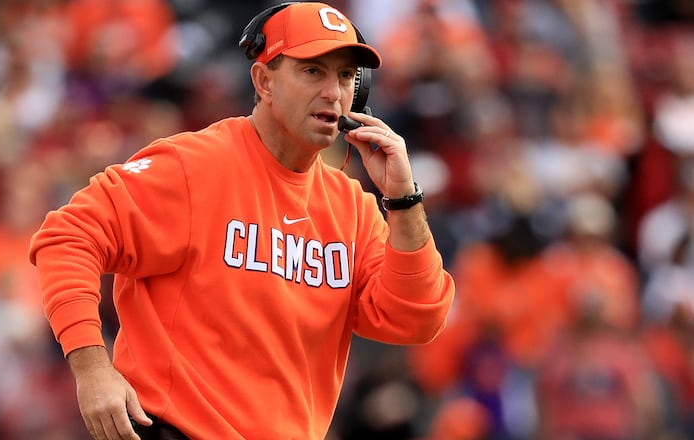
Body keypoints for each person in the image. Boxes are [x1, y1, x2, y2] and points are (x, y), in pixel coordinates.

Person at [28, 2, 455, 439]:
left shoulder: (354, 208)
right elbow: (67, 237)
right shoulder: (193, 167)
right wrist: (91, 367)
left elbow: (416, 319)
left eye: (345, 76)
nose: (333, 91)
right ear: (263, 80)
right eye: (312, 71)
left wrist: (403, 200)